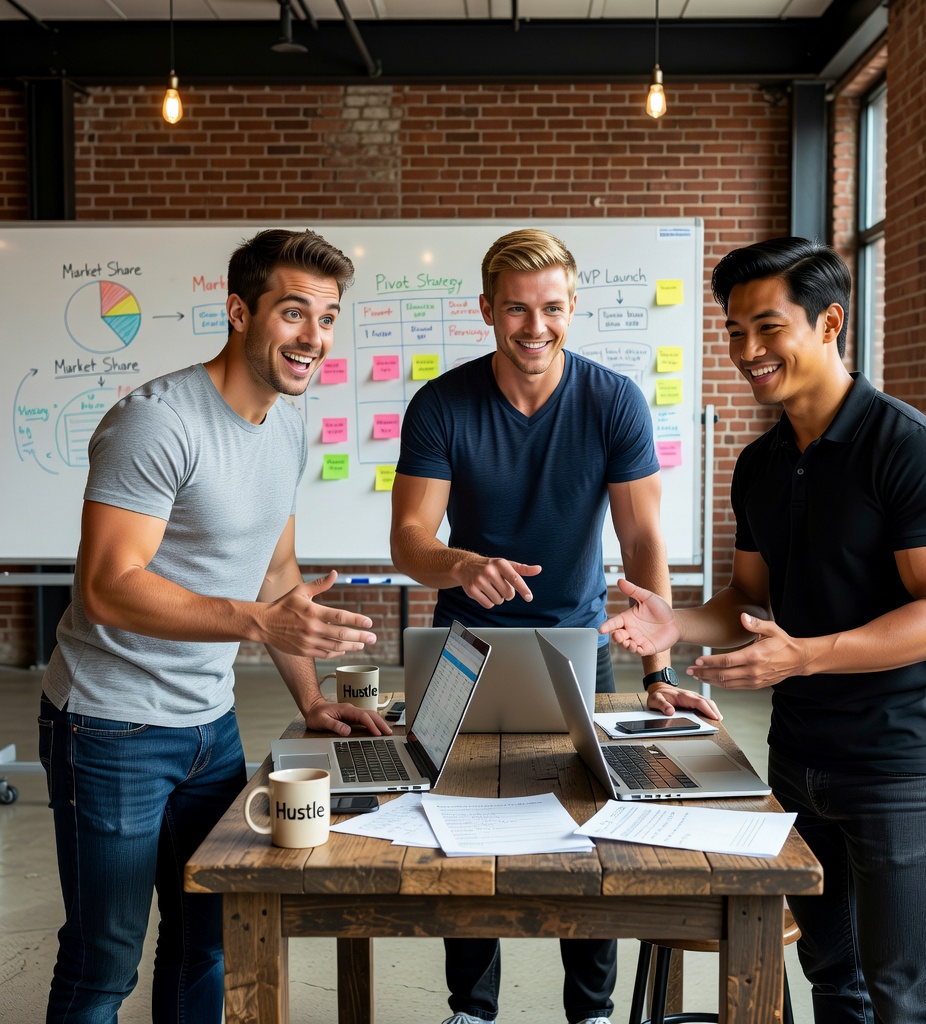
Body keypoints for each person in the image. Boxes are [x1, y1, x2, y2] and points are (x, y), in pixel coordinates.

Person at [601, 236, 926, 1024]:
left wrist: (804, 656)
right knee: (828, 974)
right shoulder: (762, 463)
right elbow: (746, 596)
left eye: (768, 328)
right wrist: (675, 620)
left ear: (830, 322)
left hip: (898, 768)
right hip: (798, 761)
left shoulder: (912, 451)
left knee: (905, 994)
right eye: (735, 331)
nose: (747, 350)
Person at [38, 228, 392, 1024]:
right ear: (240, 311)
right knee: (105, 961)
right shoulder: (156, 423)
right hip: (109, 725)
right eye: (294, 312)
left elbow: (276, 575)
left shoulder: (287, 424)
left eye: (328, 317)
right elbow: (106, 588)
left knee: (208, 938)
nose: (315, 336)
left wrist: (309, 701)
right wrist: (256, 621)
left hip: (209, 726)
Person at [390, 227, 721, 1024]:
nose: (534, 327)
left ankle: (592, 1013)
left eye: (551, 308)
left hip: (577, 648)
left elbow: (642, 541)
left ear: (572, 308)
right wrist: (464, 564)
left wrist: (658, 670)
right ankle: (471, 1009)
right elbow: (410, 542)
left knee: (589, 825)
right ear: (486, 310)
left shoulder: (612, 401)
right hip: (462, 649)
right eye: (515, 309)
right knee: (458, 829)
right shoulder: (442, 404)